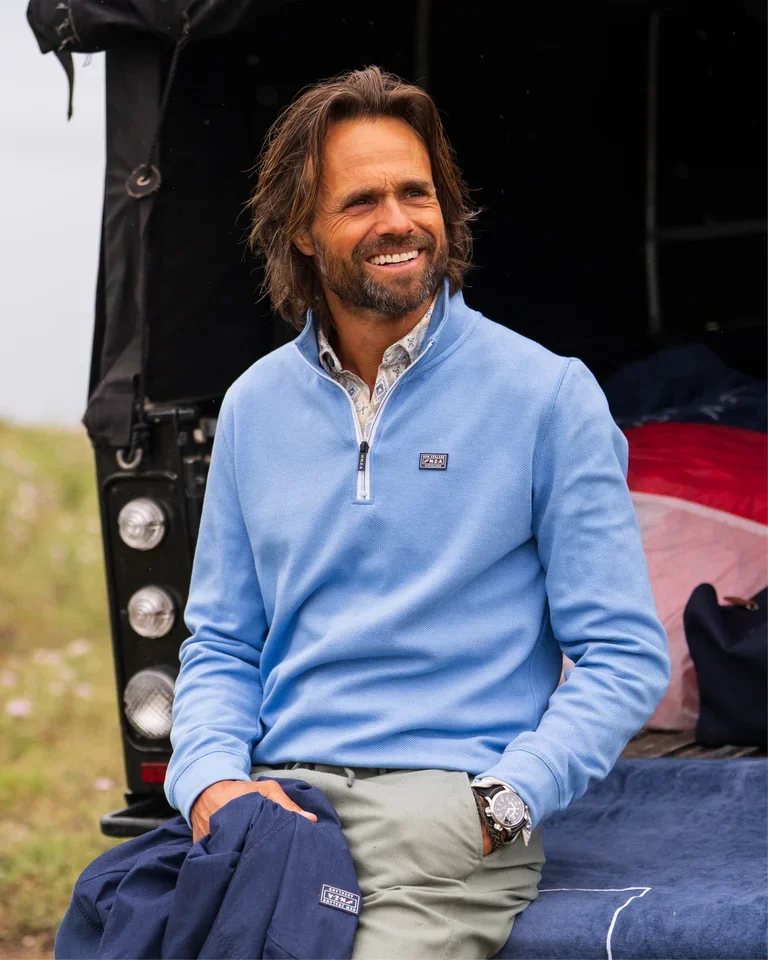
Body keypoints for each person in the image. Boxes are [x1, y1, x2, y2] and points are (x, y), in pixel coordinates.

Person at [164, 66, 670, 959]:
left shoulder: (547, 395)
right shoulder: (252, 407)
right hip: (280, 811)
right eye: (361, 201)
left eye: (417, 193)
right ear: (302, 233)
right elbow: (222, 644)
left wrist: (504, 804)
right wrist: (210, 784)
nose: (399, 221)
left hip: (447, 822)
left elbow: (623, 653)